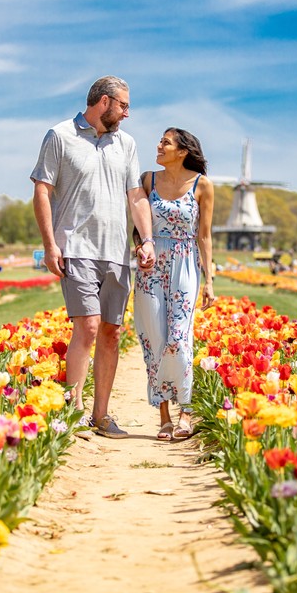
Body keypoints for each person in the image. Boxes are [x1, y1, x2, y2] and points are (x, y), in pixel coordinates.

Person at [31, 76, 156, 438]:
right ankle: (74, 413)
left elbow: (135, 195)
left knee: (111, 332)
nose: (127, 114)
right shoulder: (60, 135)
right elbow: (42, 191)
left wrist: (146, 239)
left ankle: (101, 415)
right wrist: (50, 244)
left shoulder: (126, 143)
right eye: (124, 106)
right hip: (76, 246)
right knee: (87, 326)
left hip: (115, 252)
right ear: (104, 102)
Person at [132, 128, 215, 441]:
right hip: (151, 266)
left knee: (179, 338)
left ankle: (186, 410)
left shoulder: (202, 184)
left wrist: (209, 281)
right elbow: (138, 226)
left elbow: (204, 236)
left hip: (185, 263)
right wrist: (141, 246)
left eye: (165, 142)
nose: (158, 145)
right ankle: (164, 416)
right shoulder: (147, 180)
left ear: (182, 151)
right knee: (154, 338)